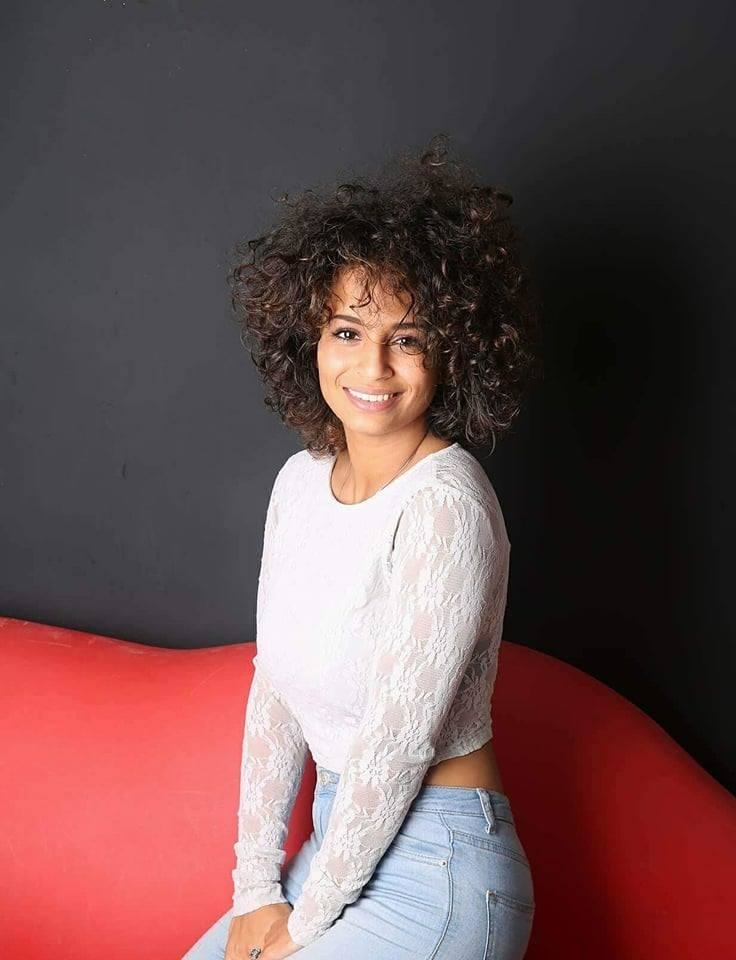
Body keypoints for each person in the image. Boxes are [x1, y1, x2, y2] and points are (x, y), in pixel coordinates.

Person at [181, 134, 541, 960]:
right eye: (348, 330)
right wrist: (254, 892)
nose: (373, 366)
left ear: (452, 352)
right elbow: (275, 689)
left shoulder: (447, 504)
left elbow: (397, 744)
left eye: (407, 339)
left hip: (440, 867)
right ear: (309, 338)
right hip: (337, 846)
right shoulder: (299, 482)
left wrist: (302, 927)